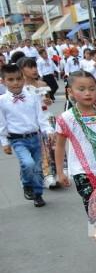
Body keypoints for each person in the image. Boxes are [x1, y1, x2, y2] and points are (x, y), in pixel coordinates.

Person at [54, 71, 96, 256]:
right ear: (70, 92)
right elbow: (59, 146)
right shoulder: (66, 118)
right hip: (83, 171)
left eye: (92, 88)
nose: (87, 93)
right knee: (93, 204)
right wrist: (61, 172)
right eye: (81, 89)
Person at [0, 64, 52, 207]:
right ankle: (26, 183)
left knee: (37, 168)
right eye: (10, 80)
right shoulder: (2, 101)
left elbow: (40, 116)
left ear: (23, 79)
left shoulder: (32, 96)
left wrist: (48, 131)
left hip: (35, 137)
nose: (15, 83)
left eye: (18, 79)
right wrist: (4, 142)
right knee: (28, 164)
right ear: (3, 81)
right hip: (17, 139)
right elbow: (2, 123)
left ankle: (38, 194)